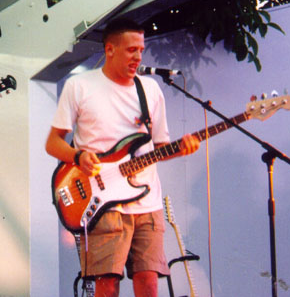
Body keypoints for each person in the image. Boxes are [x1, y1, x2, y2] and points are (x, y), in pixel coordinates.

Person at [45, 17, 200, 297]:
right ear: (110, 49)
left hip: (147, 202)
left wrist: (181, 148)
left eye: (141, 50)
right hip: (100, 201)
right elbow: (53, 143)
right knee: (107, 286)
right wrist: (78, 156)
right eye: (131, 50)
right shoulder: (80, 86)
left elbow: (160, 147)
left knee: (149, 283)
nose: (138, 56)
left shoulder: (150, 89)